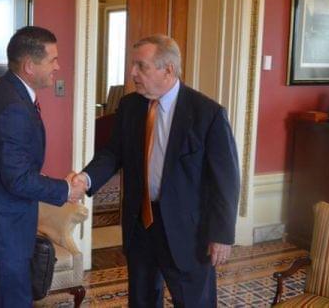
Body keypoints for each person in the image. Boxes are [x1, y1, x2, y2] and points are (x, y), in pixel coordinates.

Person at [72, 34, 240, 307]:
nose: (132, 73)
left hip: (188, 230)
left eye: (141, 66)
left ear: (168, 70)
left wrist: (221, 234)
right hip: (142, 224)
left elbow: (226, 181)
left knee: (194, 302)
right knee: (141, 301)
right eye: (132, 65)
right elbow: (113, 153)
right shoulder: (130, 106)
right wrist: (85, 178)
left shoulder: (207, 114)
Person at [0, 26, 85, 307]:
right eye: (52, 60)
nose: (58, 67)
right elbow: (18, 179)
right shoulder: (12, 106)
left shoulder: (8, 91)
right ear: (29, 66)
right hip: (2, 228)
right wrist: (64, 189)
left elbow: (15, 167)